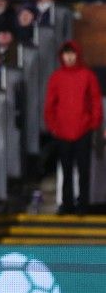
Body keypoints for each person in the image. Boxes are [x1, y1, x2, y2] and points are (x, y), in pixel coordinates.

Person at [44, 41, 102, 214]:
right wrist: (53, 125)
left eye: (72, 54)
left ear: (77, 55)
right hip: (62, 131)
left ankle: (83, 203)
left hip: (83, 129)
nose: (69, 57)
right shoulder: (56, 77)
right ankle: (67, 203)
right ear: (61, 56)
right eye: (66, 54)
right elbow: (50, 104)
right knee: (66, 168)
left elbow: (95, 101)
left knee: (84, 169)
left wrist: (93, 122)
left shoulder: (88, 75)